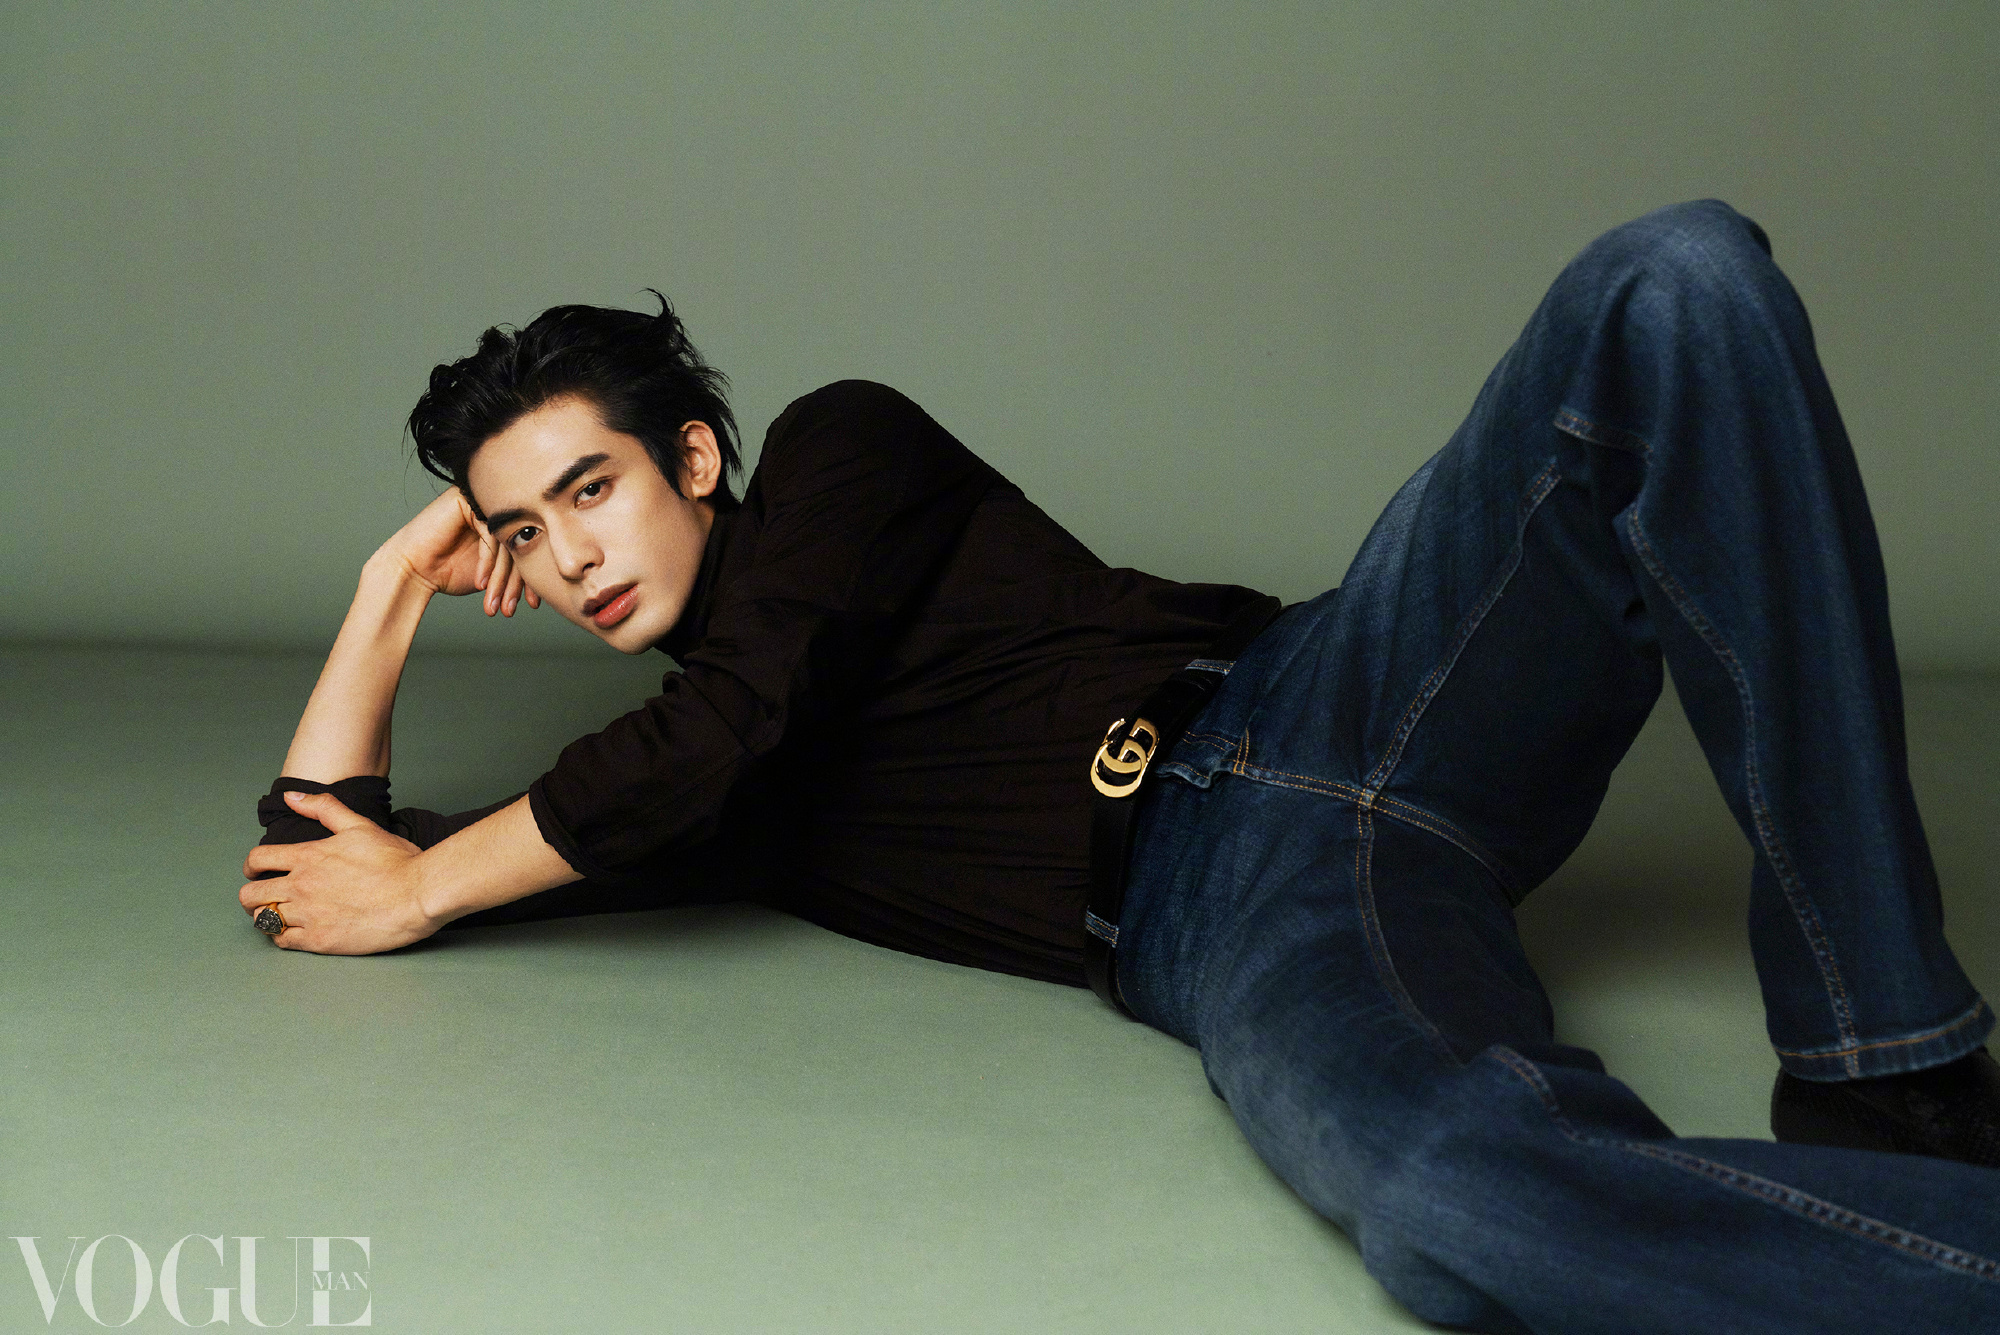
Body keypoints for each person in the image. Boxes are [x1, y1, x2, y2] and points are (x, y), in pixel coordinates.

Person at [244, 200, 2000, 1331]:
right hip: (1234, 919)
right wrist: (388, 589)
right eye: (518, 536)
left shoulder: (840, 456)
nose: (566, 557)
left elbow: (731, 713)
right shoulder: (665, 799)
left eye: (590, 490)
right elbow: (317, 856)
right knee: (1447, 1195)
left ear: (694, 458)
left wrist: (428, 884)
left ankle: (1886, 1062)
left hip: (1350, 680)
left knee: (1673, 280)